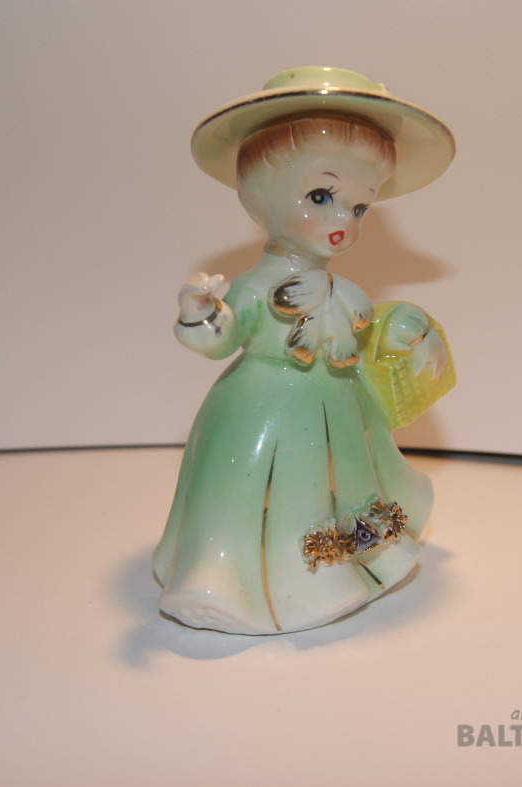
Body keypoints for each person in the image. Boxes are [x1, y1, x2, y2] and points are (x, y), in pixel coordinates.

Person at [153, 67, 455, 634]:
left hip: (336, 411)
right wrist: (200, 312)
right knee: (241, 488)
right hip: (260, 411)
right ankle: (220, 578)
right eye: (322, 196)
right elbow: (221, 338)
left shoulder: (346, 292)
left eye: (360, 208)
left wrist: (402, 330)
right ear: (257, 195)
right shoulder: (253, 286)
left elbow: (357, 337)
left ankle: (338, 570)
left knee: (337, 487)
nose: (344, 221)